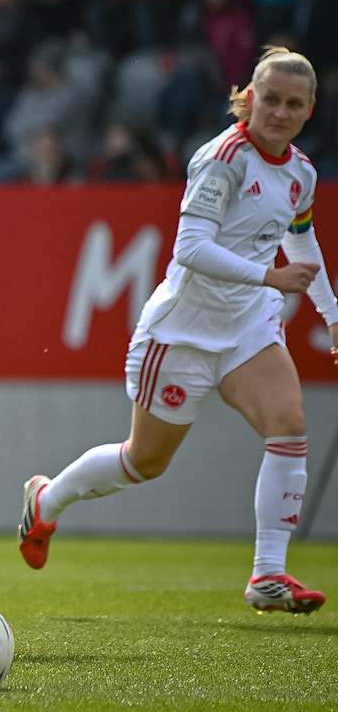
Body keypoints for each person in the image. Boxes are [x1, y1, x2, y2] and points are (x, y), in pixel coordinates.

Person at [18, 47, 338, 615]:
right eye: (271, 99)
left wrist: (331, 314)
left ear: (311, 109)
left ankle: (267, 574)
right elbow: (191, 248)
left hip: (248, 327)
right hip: (183, 333)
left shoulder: (302, 173)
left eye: (294, 103)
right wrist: (271, 276)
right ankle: (47, 499)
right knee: (145, 462)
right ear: (249, 97)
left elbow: (301, 239)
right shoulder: (222, 158)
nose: (280, 112)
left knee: (288, 425)